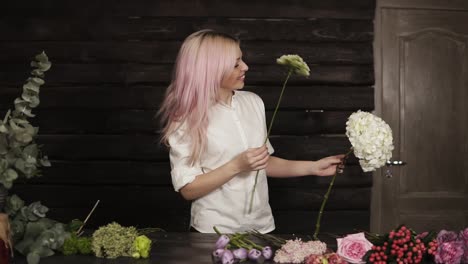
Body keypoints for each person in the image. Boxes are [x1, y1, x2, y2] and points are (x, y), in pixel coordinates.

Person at [159, 29, 344, 234]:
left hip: (262, 229)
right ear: (211, 69)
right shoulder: (185, 118)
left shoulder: (253, 102)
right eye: (236, 63)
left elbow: (262, 163)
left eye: (242, 60)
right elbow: (188, 189)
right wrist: (236, 166)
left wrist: (313, 167)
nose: (245, 67)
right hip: (213, 232)